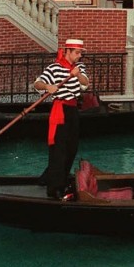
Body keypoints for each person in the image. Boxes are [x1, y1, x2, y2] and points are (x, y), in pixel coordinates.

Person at [34, 38, 90, 200]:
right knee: (59, 150)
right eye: (77, 53)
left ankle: (56, 178)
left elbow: (85, 84)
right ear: (67, 52)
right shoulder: (54, 68)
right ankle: (54, 188)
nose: (79, 56)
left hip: (73, 111)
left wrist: (77, 74)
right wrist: (47, 87)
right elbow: (37, 83)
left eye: (80, 53)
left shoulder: (80, 67)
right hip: (60, 110)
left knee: (71, 148)